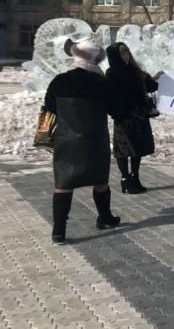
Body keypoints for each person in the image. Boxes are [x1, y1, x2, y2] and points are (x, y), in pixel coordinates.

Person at [44, 39, 120, 244]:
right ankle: (105, 217)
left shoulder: (59, 80)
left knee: (63, 183)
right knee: (100, 181)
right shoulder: (102, 82)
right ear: (96, 59)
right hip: (95, 140)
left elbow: (49, 109)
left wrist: (43, 137)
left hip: (66, 141)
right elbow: (115, 109)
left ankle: (58, 231)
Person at [105, 42, 163, 194]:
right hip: (124, 117)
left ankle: (135, 177)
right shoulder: (111, 74)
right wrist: (118, 112)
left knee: (138, 149)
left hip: (139, 116)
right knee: (124, 150)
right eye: (122, 54)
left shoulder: (135, 71)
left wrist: (157, 78)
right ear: (115, 56)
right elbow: (111, 98)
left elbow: (149, 86)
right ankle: (125, 178)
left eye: (126, 53)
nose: (125, 57)